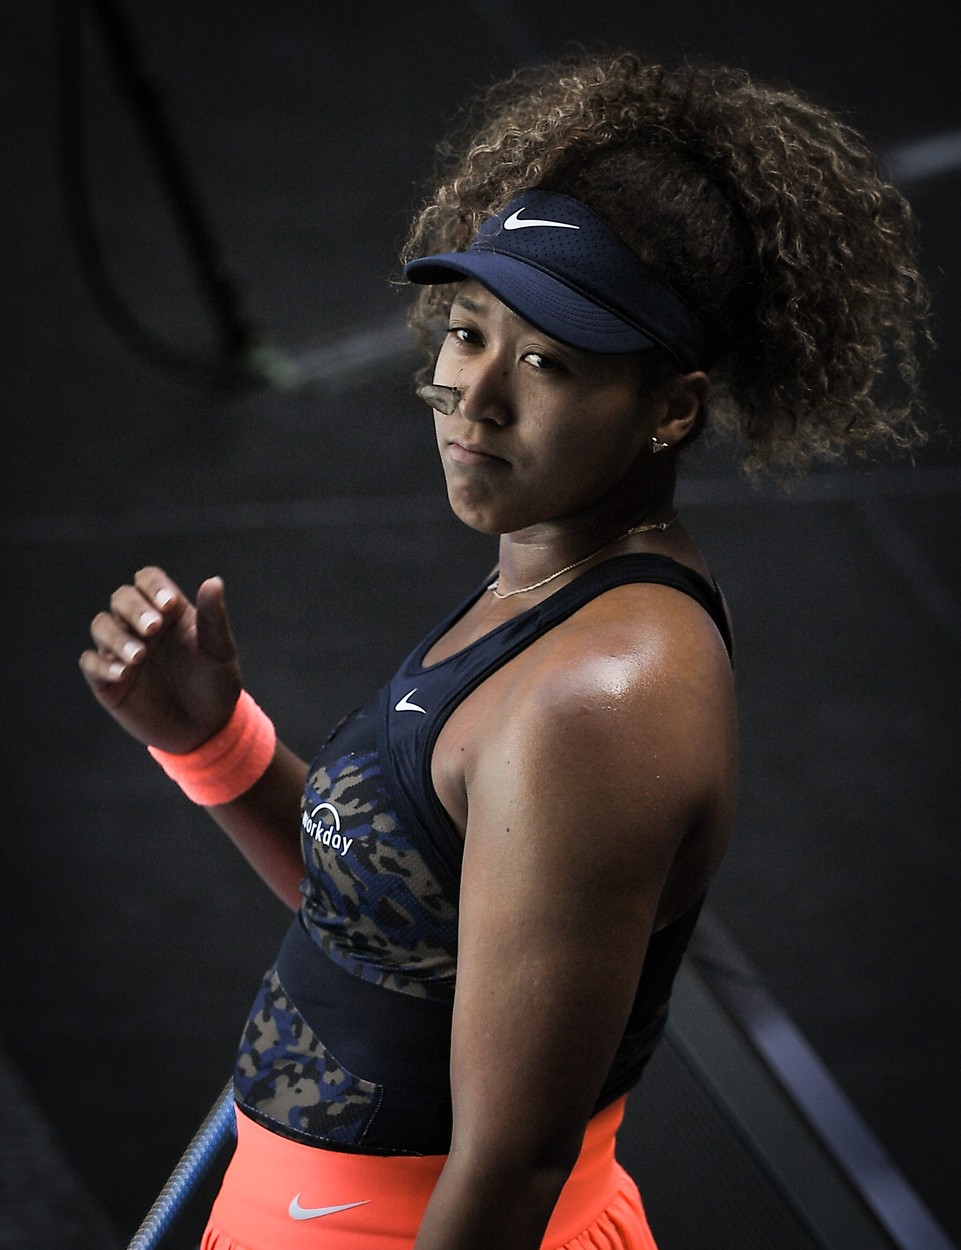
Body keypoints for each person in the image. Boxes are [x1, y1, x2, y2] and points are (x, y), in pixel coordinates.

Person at [79, 51, 930, 1250]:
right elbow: (398, 921)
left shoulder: (598, 696)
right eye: (468, 332)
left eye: (547, 361)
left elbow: (511, 1168)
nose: (474, 394)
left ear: (671, 407)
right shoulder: (542, 578)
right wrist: (212, 743)